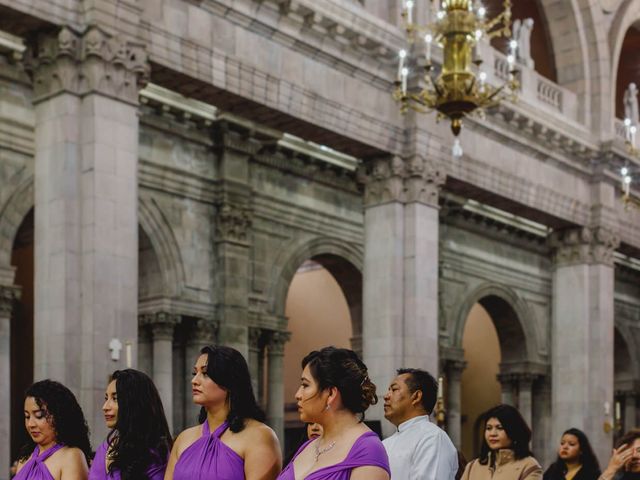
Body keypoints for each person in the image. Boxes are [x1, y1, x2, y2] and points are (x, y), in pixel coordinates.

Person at [165, 345, 281, 479]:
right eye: (194, 373)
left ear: (229, 380)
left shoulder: (259, 436)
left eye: (205, 373)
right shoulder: (183, 438)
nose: (194, 381)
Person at [278, 346, 390, 480]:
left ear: (331, 393)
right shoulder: (307, 446)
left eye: (305, 385)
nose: (297, 395)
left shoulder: (367, 450)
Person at [89, 369, 173, 480]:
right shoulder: (106, 448)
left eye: (115, 399)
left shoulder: (157, 452)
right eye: (106, 398)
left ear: (135, 403)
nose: (105, 407)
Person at [382, 368, 458, 480]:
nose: (386, 396)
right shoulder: (385, 443)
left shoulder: (433, 438)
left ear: (416, 397)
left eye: (394, 389)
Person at [14, 379, 91, 480]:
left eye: (39, 416)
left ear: (59, 416)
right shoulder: (24, 459)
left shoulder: (71, 456)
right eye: (27, 416)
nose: (30, 424)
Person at [460, 404, 542, 480]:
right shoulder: (472, 467)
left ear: (514, 431)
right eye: (488, 428)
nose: (492, 434)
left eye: (499, 428)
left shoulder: (529, 467)